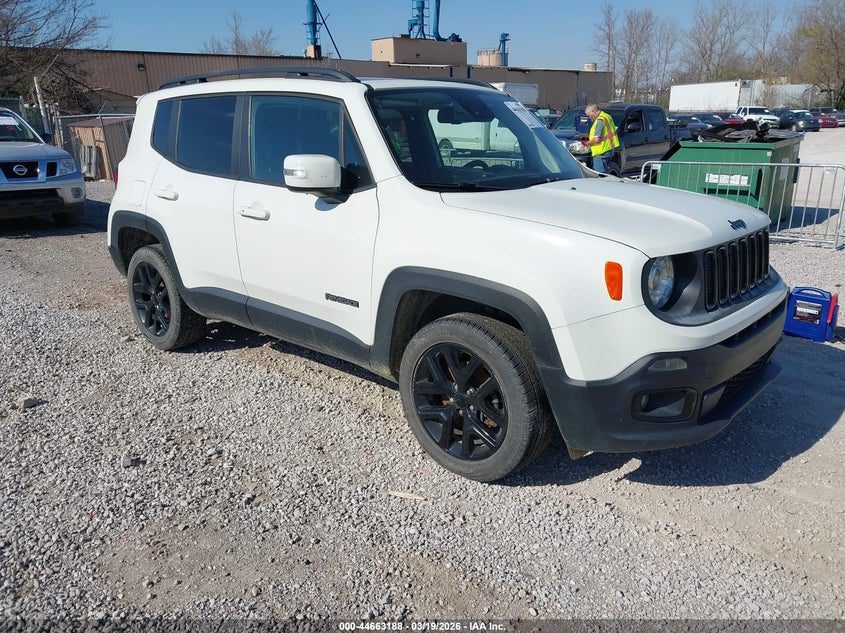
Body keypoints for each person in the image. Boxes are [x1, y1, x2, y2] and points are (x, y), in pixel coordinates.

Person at [583, 103, 620, 174]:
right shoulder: (607, 116)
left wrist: (586, 143)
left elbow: (596, 139)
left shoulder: (600, 120)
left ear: (593, 111)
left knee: (600, 175)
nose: (589, 117)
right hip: (608, 149)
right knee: (604, 173)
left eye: (589, 115)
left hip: (601, 152)